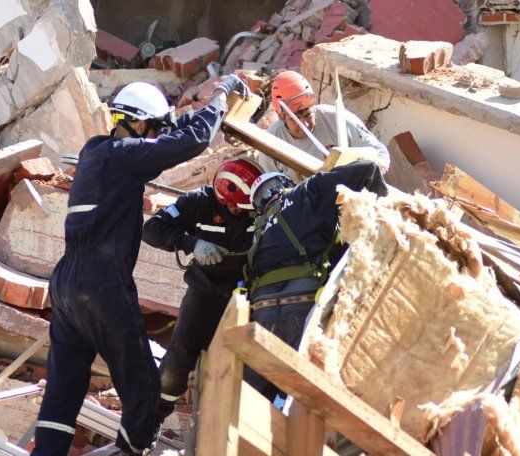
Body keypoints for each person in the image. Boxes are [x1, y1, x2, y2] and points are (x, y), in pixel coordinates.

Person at [32, 75, 250, 456]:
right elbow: (190, 141)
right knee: (144, 390)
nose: (153, 135)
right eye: (152, 127)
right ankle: (130, 453)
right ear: (136, 122)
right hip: (102, 286)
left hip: (66, 285)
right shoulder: (122, 157)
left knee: (63, 391)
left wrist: (181, 118)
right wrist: (220, 96)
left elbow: (165, 139)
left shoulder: (98, 153)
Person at [243, 160, 388, 401]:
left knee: (252, 400)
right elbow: (368, 169)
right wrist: (382, 214)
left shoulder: (257, 229)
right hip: (303, 302)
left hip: (262, 312)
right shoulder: (306, 191)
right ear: (286, 183)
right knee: (306, 397)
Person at [142, 158, 263, 426]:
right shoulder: (198, 203)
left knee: (247, 368)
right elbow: (152, 229)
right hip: (206, 293)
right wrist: (191, 243)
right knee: (180, 359)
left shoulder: (260, 207)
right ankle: (149, 423)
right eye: (234, 206)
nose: (240, 212)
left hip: (249, 297)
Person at [258, 70, 390, 179]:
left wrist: (361, 172)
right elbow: (271, 186)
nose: (305, 124)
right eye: (295, 119)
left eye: (308, 115)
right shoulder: (271, 142)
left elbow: (380, 153)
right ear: (282, 116)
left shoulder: (337, 119)